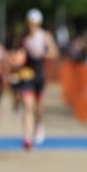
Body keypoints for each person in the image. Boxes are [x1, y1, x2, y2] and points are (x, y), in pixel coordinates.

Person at [12, 9, 59, 150]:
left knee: (38, 107)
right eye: (30, 23)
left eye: (35, 23)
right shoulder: (23, 36)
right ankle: (27, 138)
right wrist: (16, 61)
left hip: (39, 74)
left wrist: (42, 54)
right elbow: (15, 53)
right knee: (28, 106)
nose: (32, 26)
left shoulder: (45, 36)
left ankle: (39, 125)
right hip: (26, 74)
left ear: (39, 23)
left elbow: (54, 53)